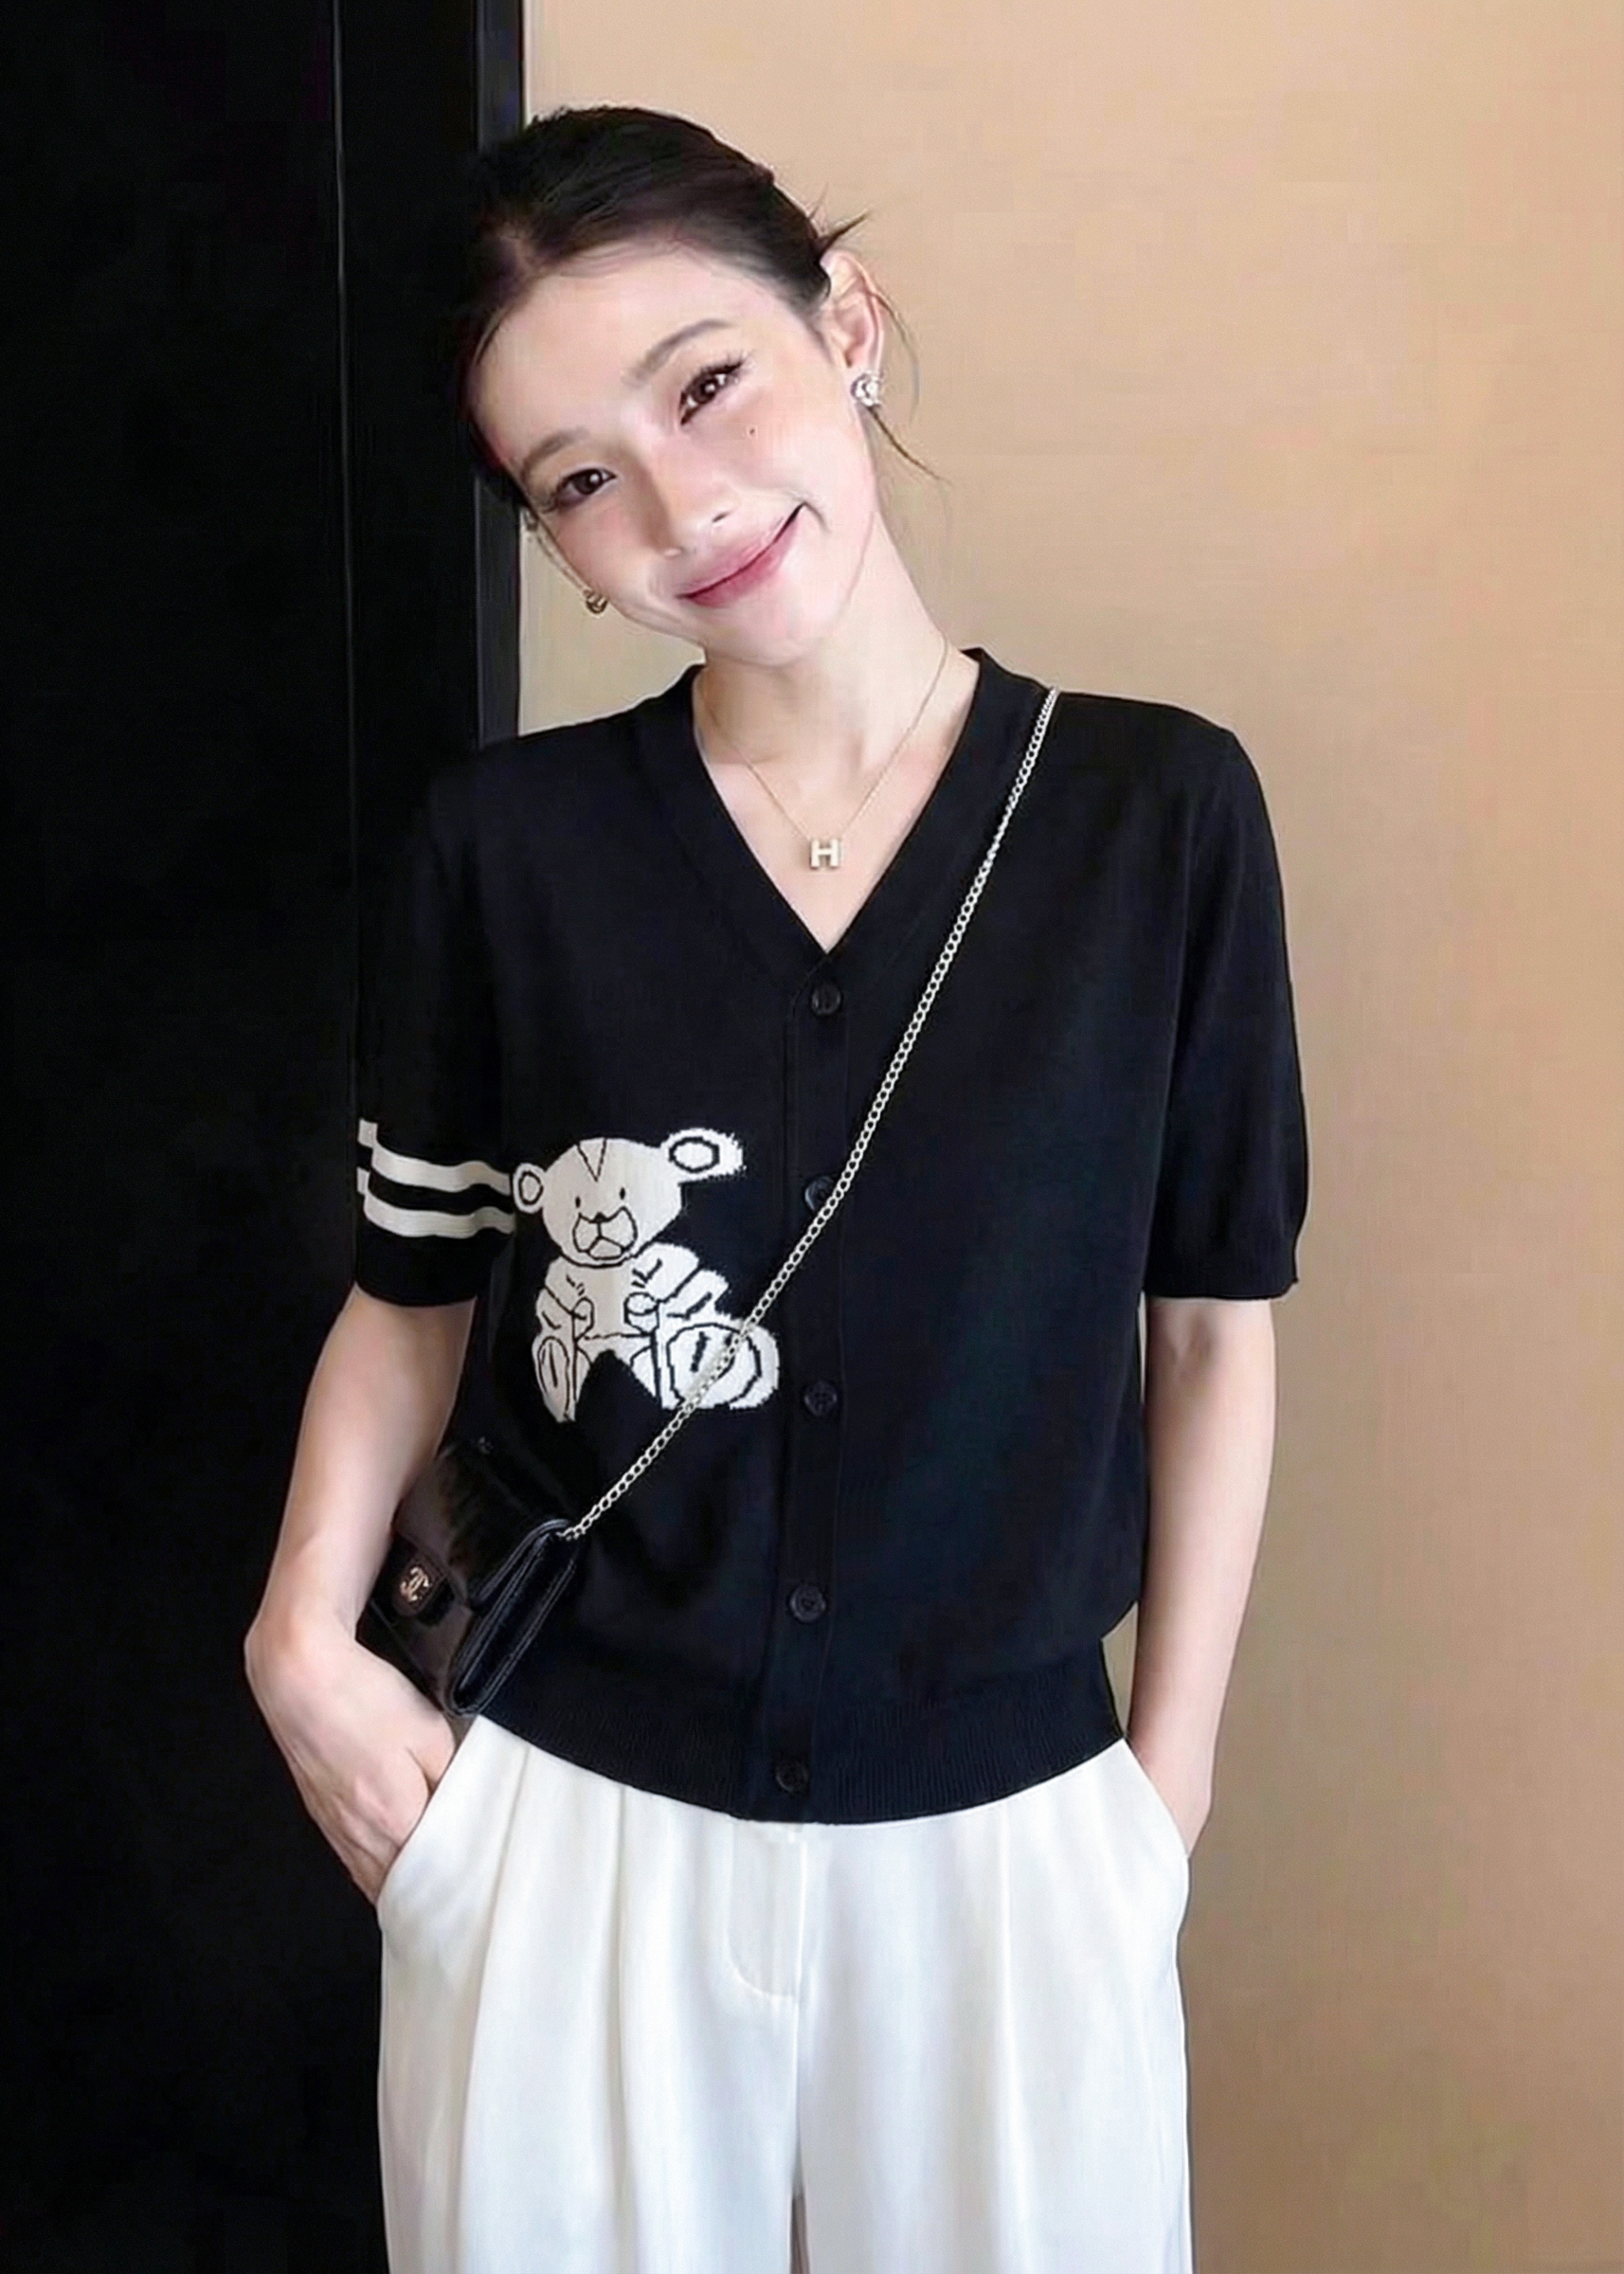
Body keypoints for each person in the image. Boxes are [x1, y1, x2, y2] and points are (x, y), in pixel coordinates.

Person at [244, 102, 1309, 2274]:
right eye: (578, 481)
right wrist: (296, 1641)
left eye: (705, 383)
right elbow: (412, 1294)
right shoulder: (505, 853)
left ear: (847, 324)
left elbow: (1210, 1329)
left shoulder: (1152, 815)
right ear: (555, 549)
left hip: (1015, 1842)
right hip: (570, 1829)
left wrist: (1159, 1802)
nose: (681, 505)